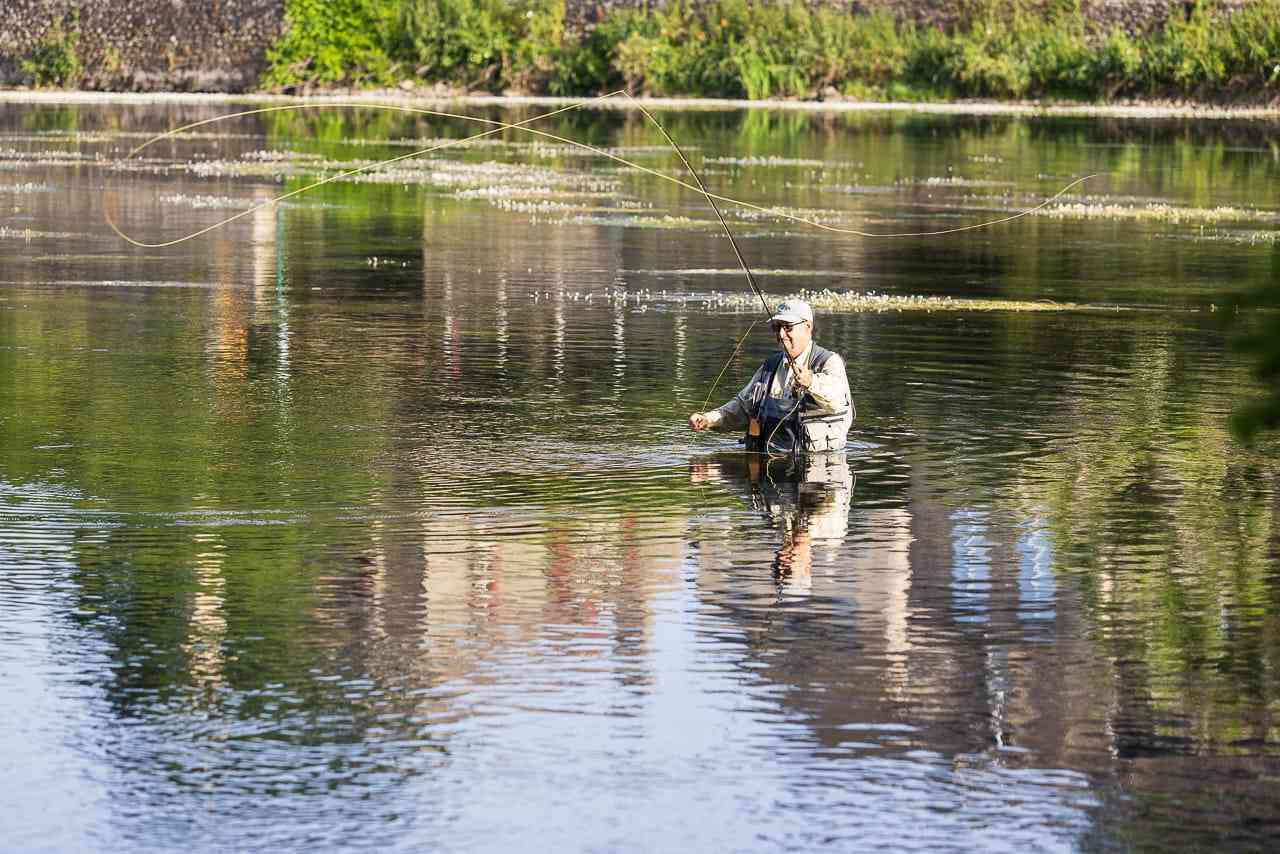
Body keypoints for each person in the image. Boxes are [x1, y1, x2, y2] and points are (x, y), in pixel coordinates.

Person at [688, 299, 853, 454]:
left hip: (817, 468)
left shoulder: (830, 362)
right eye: (777, 327)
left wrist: (811, 382)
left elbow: (837, 402)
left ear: (808, 326)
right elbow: (742, 407)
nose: (781, 334)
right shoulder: (770, 366)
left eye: (788, 327)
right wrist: (708, 419)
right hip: (768, 464)